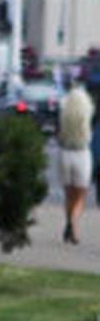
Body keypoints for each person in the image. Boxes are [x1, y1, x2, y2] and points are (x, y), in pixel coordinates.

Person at [58, 79, 94, 244]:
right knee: (80, 195)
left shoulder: (63, 109)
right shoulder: (88, 110)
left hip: (65, 152)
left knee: (68, 195)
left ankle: (68, 224)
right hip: (81, 153)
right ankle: (73, 223)